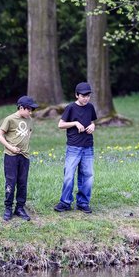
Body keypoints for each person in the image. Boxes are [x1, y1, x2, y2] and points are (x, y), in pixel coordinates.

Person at [54, 82, 97, 214]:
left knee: (88, 175)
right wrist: (75, 123)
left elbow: (92, 121)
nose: (86, 98)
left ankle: (83, 203)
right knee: (69, 175)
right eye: (83, 96)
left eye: (88, 96)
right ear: (76, 95)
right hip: (74, 147)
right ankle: (65, 202)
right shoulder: (70, 108)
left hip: (88, 147)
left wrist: (93, 126)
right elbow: (60, 125)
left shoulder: (90, 107)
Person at [0, 95, 38, 221]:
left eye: (32, 110)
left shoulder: (29, 119)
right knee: (11, 182)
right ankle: (8, 208)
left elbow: (29, 132)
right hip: (11, 156)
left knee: (22, 183)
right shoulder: (10, 119)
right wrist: (11, 147)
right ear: (21, 108)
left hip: (24, 156)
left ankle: (20, 208)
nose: (30, 112)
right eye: (29, 110)